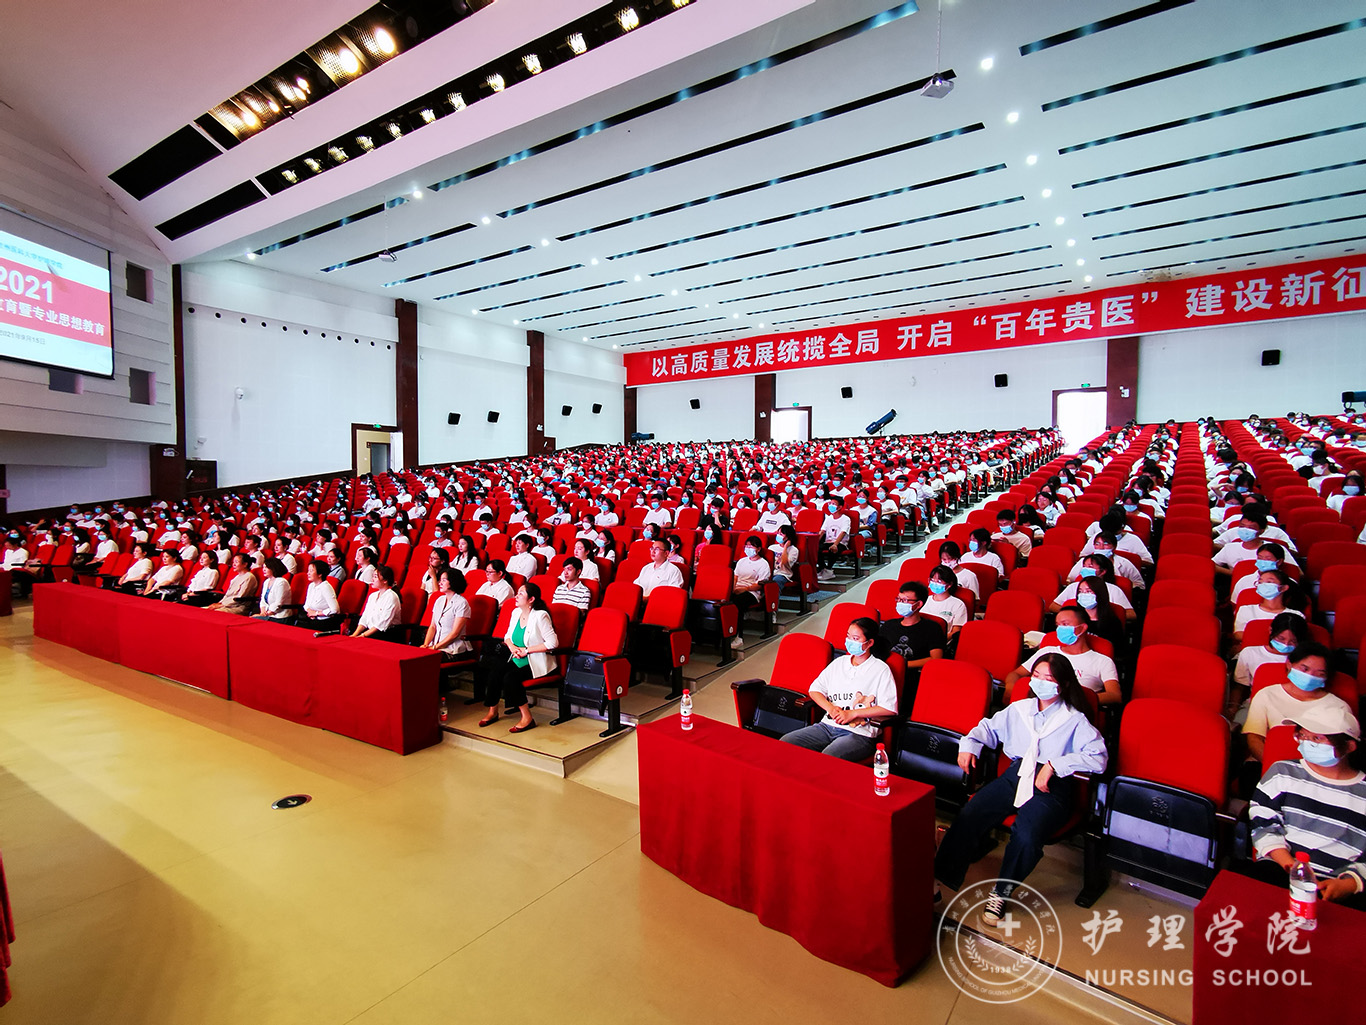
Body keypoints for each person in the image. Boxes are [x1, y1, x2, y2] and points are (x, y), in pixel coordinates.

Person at [934, 653, 1107, 926]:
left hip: (1052, 786)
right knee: (972, 811)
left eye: (1048, 678)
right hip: (1016, 775)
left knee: (1026, 834)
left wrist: (1055, 765)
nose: (1040, 682)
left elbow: (1098, 758)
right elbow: (986, 729)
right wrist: (969, 746)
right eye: (1036, 676)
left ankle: (1001, 892)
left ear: (1063, 684)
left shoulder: (1074, 719)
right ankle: (939, 877)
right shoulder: (1020, 709)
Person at [1243, 702, 1366, 910]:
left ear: (1349, 746)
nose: (1307, 743)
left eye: (1317, 739)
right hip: (1282, 868)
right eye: (1302, 735)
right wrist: (1293, 868)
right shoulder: (1282, 772)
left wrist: (1349, 884)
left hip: (1338, 883)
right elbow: (1262, 822)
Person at [1239, 641, 1353, 794]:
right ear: (1289, 664)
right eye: (1304, 669)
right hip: (1267, 764)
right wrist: (1276, 768)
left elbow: (1341, 752)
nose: (1310, 676)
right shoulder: (1267, 695)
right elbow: (1254, 738)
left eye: (1319, 673)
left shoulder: (1339, 707)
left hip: (1321, 774)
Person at [779, 617, 897, 761]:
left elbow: (889, 708)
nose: (850, 641)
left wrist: (853, 713)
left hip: (859, 733)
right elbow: (815, 690)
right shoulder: (839, 662)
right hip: (827, 726)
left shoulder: (880, 669)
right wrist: (830, 708)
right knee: (786, 742)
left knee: (828, 757)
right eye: (848, 636)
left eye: (855, 638)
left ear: (870, 642)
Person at [477, 582, 559, 734]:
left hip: (535, 661)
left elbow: (553, 643)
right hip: (516, 657)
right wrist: (513, 648)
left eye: (521, 593)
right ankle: (493, 711)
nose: (516, 596)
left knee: (511, 678)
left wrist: (526, 651)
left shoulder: (540, 616)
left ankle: (527, 718)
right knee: (495, 671)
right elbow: (507, 636)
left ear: (531, 599)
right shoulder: (516, 612)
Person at [1005, 605, 1121, 704]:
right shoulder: (1047, 652)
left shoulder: (1102, 661)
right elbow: (1016, 674)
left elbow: (1114, 695)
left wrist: (1077, 699)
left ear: (1082, 628)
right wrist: (1011, 688)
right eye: (1058, 625)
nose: (1060, 629)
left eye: (1065, 624)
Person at [1229, 612, 1310, 724]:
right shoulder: (1250, 653)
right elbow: (1240, 686)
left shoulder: (1307, 659)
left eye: (1293, 641)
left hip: (1295, 708)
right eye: (1281, 638)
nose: (1286, 644)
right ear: (1271, 631)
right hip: (1257, 705)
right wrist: (1233, 708)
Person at [875, 581, 945, 699]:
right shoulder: (889, 625)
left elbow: (936, 659)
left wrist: (903, 665)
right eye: (898, 599)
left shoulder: (932, 628)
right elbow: (877, 652)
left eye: (905, 600)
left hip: (914, 677)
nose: (900, 603)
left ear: (918, 604)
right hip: (885, 674)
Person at [1232, 569, 1304, 642]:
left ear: (1283, 588)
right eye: (1260, 582)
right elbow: (1238, 635)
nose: (1263, 585)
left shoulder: (1296, 615)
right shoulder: (1246, 610)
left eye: (1269, 582)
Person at [730, 535, 772, 649]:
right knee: (725, 601)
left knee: (737, 604)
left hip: (752, 592)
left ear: (758, 549)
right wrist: (732, 588)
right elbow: (735, 577)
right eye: (747, 546)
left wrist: (745, 589)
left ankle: (738, 637)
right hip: (737, 588)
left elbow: (760, 585)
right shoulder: (742, 561)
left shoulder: (763, 564)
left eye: (751, 546)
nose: (748, 548)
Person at [421, 568, 472, 659]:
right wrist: (426, 645)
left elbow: (455, 633)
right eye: (440, 580)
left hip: (453, 650)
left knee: (425, 660)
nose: (440, 583)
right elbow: (433, 626)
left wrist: (434, 648)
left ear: (453, 582)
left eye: (444, 580)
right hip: (436, 647)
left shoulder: (461, 603)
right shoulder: (439, 600)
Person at [351, 565, 402, 640]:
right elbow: (365, 618)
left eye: (375, 577)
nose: (372, 579)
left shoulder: (391, 597)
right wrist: (355, 634)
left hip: (385, 634)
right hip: (370, 632)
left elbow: (382, 623)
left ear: (385, 580)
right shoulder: (372, 596)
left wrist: (363, 635)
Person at [924, 565, 970, 643]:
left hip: (940, 642)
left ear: (949, 584)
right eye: (932, 580)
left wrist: (937, 642)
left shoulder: (958, 605)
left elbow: (955, 632)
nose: (935, 583)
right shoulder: (924, 600)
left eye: (939, 581)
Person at [297, 559, 341, 629]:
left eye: (311, 571)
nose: (308, 573)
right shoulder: (311, 585)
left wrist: (316, 613)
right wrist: (310, 612)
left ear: (320, 574)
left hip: (324, 622)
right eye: (308, 571)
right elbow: (306, 604)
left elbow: (335, 609)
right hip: (311, 619)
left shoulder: (325, 587)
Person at [816, 497, 852, 581]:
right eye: (830, 503)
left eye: (833, 504)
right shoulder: (828, 518)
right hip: (828, 541)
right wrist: (815, 543)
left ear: (839, 507)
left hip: (840, 543)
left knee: (833, 549)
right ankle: (822, 568)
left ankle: (828, 570)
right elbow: (822, 531)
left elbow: (843, 532)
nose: (831, 506)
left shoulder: (846, 519)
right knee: (815, 549)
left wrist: (835, 544)